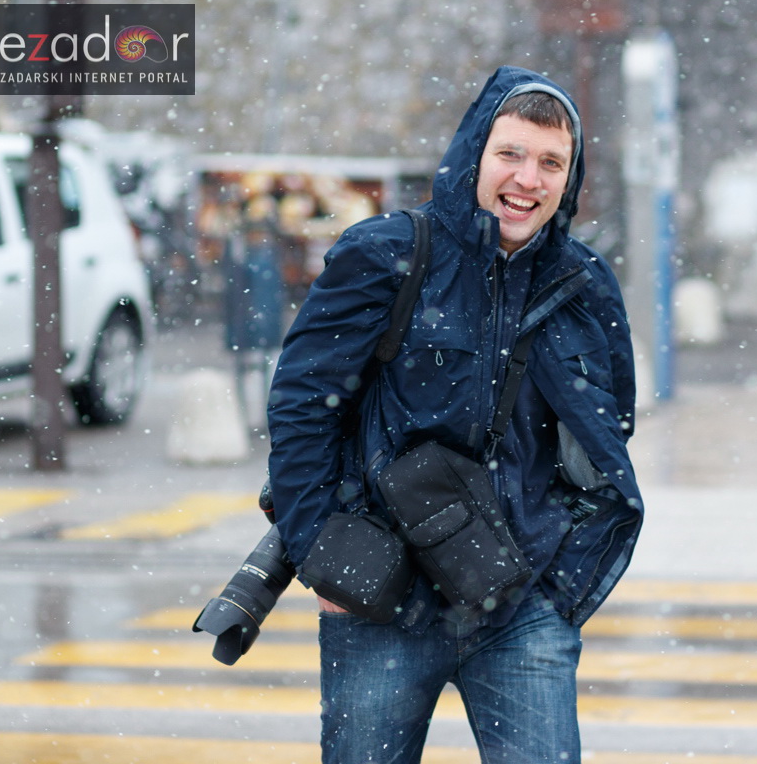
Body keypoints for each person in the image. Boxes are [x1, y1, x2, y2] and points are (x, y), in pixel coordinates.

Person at [266, 66, 643, 763]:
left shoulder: (585, 287)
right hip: (381, 598)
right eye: (512, 154)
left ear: (570, 177)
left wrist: (558, 591)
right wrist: (325, 557)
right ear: (476, 153)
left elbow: (608, 433)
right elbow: (301, 408)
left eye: (550, 162)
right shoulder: (386, 255)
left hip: (521, 607)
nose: (528, 179)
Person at [222, 194, 285, 425]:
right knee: (249, 370)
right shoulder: (250, 256)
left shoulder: (261, 257)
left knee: (263, 370)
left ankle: (258, 417)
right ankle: (248, 416)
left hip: (257, 321)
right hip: (247, 320)